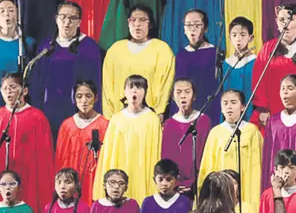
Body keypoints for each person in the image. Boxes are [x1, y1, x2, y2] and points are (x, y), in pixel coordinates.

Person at [0, 72, 54, 213]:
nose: (9, 92)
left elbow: (45, 158)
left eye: (13, 87)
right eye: (5, 88)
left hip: (28, 174)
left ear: (24, 90)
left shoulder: (37, 117)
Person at [28, 1, 104, 133]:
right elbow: (37, 83)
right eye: (63, 17)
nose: (67, 22)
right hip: (49, 110)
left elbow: (95, 83)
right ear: (56, 19)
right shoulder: (46, 47)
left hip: (78, 111)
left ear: (79, 22)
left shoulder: (88, 47)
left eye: (72, 18)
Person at [94, 75, 162, 204]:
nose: (134, 91)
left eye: (139, 87)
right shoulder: (116, 119)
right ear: (124, 92)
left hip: (142, 172)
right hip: (120, 170)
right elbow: (108, 154)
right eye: (130, 87)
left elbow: (156, 153)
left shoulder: (152, 120)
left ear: (145, 92)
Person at [198, 90, 264, 213]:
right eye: (225, 103)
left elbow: (260, 163)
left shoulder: (252, 131)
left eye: (234, 102)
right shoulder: (215, 133)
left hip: (248, 186)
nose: (229, 106)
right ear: (221, 109)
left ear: (243, 107)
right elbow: (207, 167)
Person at [101, 5, 175, 117]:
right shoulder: (115, 50)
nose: (137, 24)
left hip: (150, 116)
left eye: (142, 20)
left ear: (150, 24)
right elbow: (107, 87)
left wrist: (159, 111)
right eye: (133, 20)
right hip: (119, 117)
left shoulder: (162, 50)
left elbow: (166, 84)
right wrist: (111, 116)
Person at [252, 4, 296, 126]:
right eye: (281, 20)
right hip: (272, 111)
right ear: (276, 22)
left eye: (290, 19)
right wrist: (262, 109)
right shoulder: (268, 49)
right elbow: (258, 81)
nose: (285, 24)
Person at [55, 80, 108, 205]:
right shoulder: (67, 125)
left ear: (95, 98)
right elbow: (60, 158)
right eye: (79, 96)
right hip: (71, 180)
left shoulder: (104, 124)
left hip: (93, 178)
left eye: (88, 96)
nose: (83, 100)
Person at [262, 75, 296, 191]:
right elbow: (267, 155)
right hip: (277, 183)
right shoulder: (273, 121)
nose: (285, 93)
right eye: (282, 89)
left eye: (290, 88)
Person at [162, 78, 212, 193]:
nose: (183, 96)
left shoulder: (204, 120)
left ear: (194, 96)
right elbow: (166, 155)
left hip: (200, 182)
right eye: (178, 92)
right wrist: (175, 182)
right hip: (175, 185)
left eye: (187, 92)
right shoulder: (169, 124)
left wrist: (197, 180)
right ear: (173, 97)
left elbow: (207, 153)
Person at [172, 11, 220, 122]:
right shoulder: (180, 54)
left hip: (208, 107)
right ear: (184, 29)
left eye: (197, 25)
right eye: (188, 25)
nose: (192, 29)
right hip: (185, 108)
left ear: (206, 28)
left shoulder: (214, 53)